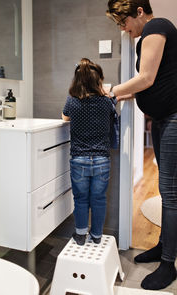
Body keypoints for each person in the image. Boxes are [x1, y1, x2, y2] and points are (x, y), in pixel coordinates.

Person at [106, 0, 177, 291]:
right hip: (163, 119)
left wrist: (111, 90)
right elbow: (154, 84)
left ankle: (168, 264)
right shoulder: (148, 36)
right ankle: (163, 247)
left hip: (173, 118)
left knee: (170, 194)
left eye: (124, 21)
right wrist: (118, 97)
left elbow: (146, 79)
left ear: (138, 11)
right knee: (165, 189)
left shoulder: (157, 27)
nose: (124, 29)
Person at [62, 58, 118, 246]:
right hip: (102, 159)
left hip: (79, 159)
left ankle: (80, 235)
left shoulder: (72, 101)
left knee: (81, 199)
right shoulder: (105, 102)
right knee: (99, 199)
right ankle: (96, 236)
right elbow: (112, 112)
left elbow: (64, 116)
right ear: (98, 81)